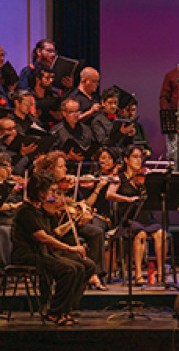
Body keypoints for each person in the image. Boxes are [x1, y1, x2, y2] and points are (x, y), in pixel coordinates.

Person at [11, 172, 90, 325]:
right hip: (27, 255)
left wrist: (74, 220)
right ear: (40, 192)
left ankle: (67, 308)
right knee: (69, 269)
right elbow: (43, 237)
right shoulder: (26, 211)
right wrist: (70, 248)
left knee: (83, 266)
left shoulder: (41, 210)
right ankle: (54, 311)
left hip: (43, 252)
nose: (54, 195)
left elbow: (55, 232)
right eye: (51, 191)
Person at [34, 150, 107, 290]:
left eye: (65, 166)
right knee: (71, 238)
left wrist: (81, 210)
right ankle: (76, 275)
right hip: (56, 225)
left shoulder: (68, 184)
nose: (65, 170)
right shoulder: (43, 185)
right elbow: (50, 206)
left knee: (96, 232)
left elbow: (82, 203)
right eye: (61, 167)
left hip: (69, 221)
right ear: (50, 169)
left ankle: (94, 274)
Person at [106, 145, 168, 286]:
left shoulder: (144, 177)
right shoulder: (119, 178)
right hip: (128, 218)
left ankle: (160, 274)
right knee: (141, 234)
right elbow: (109, 194)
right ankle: (138, 275)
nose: (139, 160)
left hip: (145, 217)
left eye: (140, 157)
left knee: (161, 234)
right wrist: (127, 199)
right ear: (126, 160)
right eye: (135, 157)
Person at [90, 88, 134, 152]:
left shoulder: (120, 120)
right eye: (110, 103)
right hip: (107, 154)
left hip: (121, 153)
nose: (113, 106)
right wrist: (120, 133)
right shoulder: (97, 121)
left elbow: (124, 144)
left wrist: (130, 135)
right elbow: (103, 142)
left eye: (115, 103)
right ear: (103, 103)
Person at [30, 65, 62, 131]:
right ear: (38, 79)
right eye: (47, 78)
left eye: (52, 78)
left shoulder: (54, 95)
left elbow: (59, 116)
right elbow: (33, 116)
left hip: (54, 129)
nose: (51, 80)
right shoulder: (30, 96)